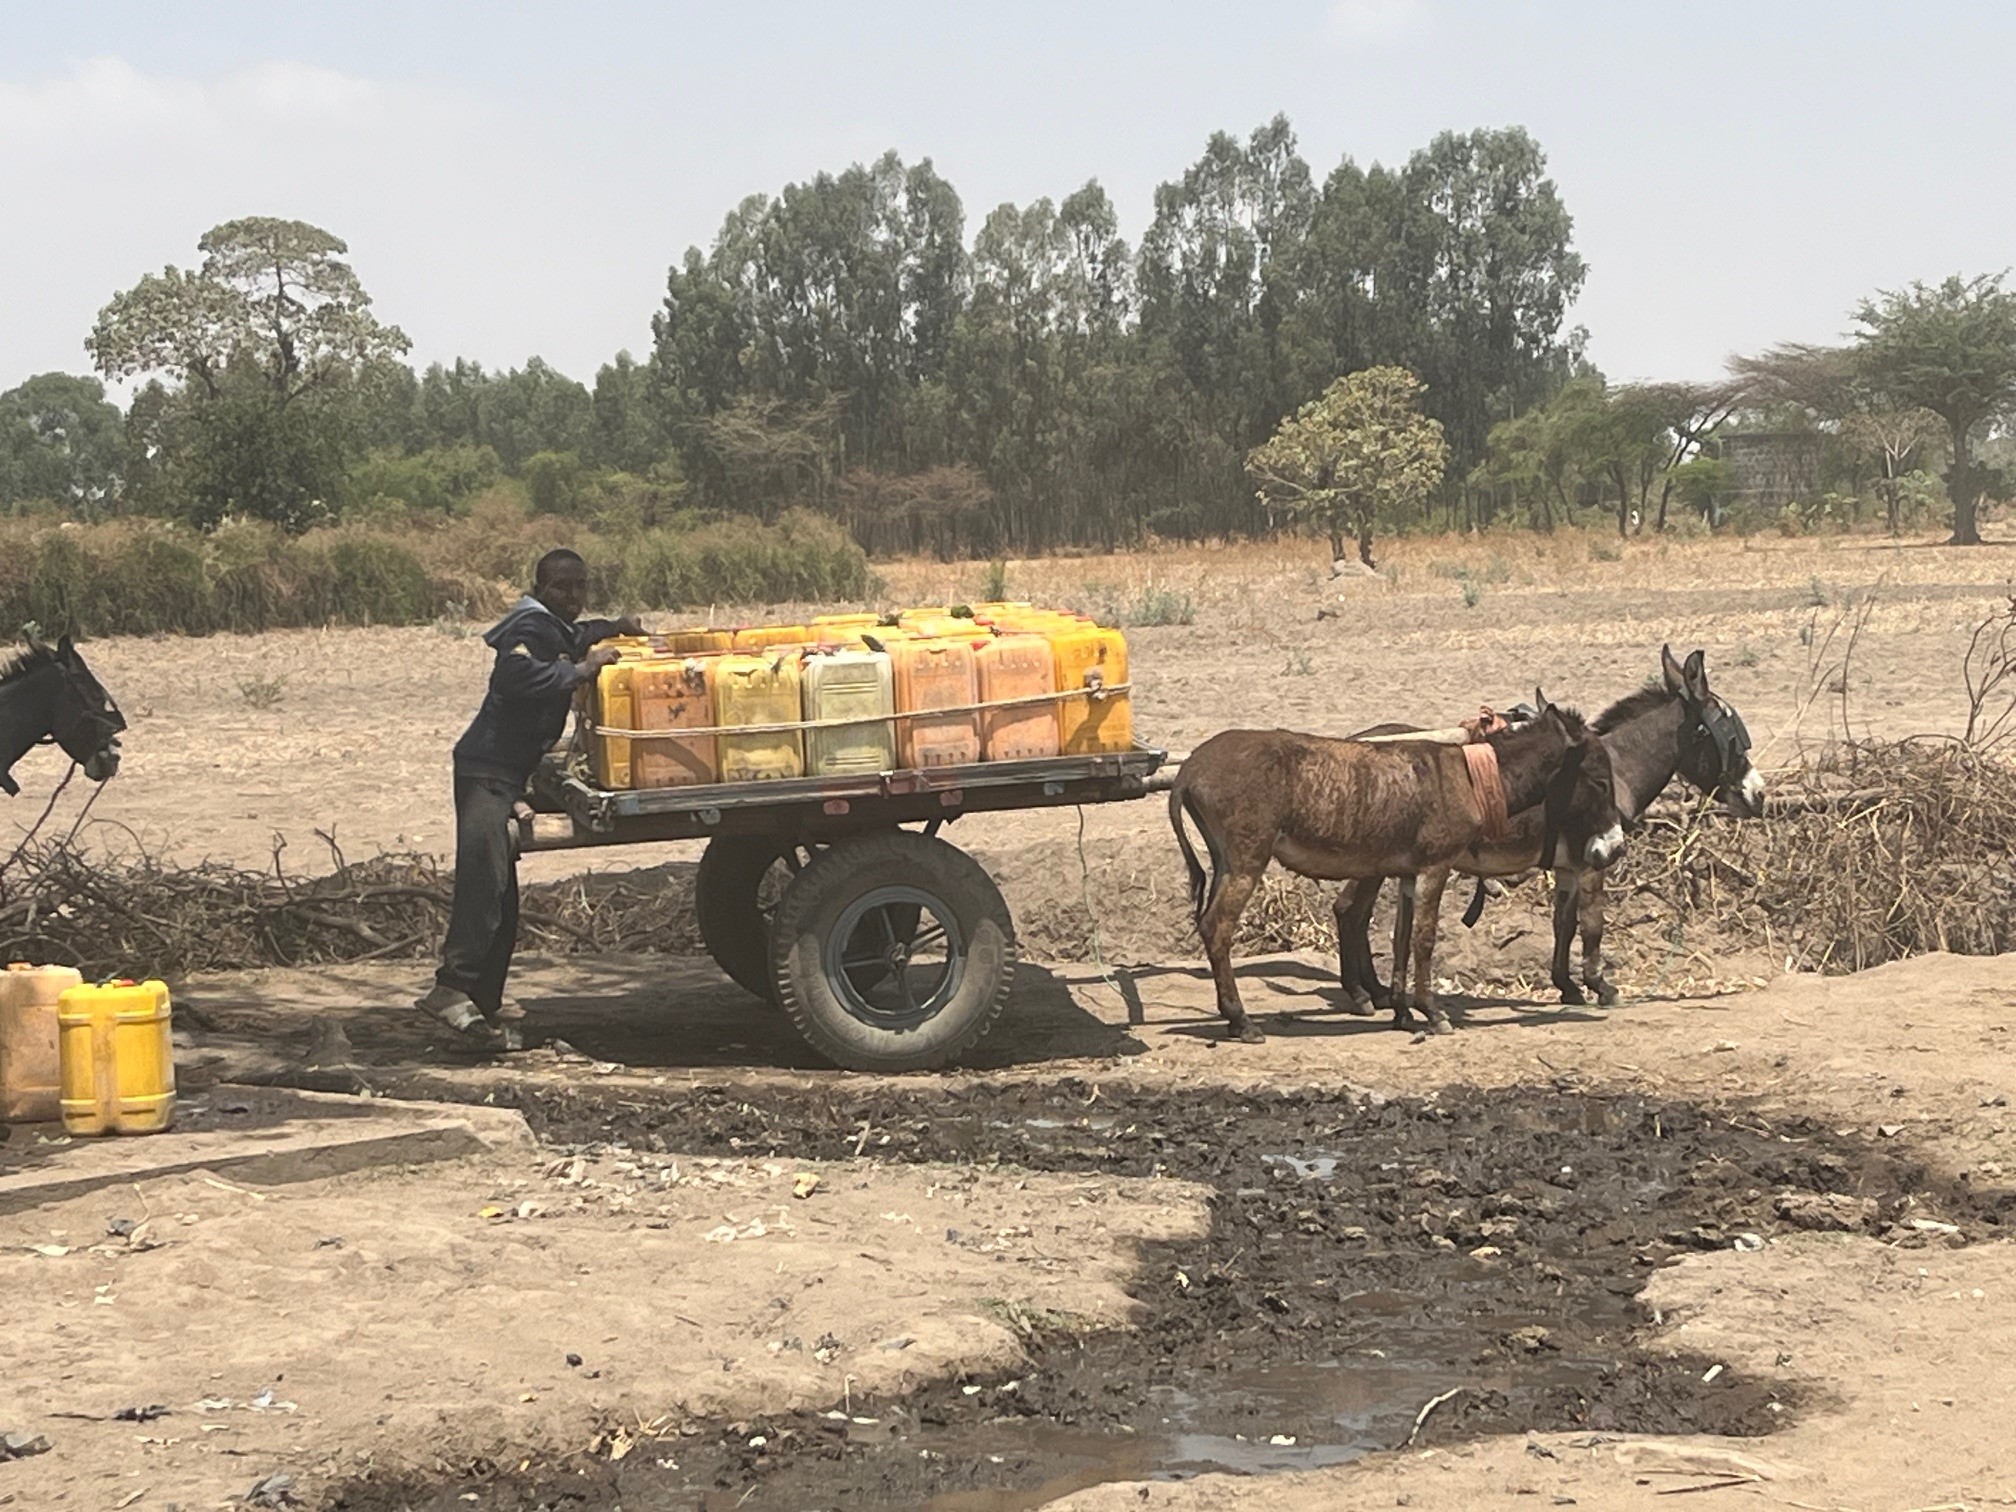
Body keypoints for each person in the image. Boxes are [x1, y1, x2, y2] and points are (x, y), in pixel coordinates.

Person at [416, 549, 642, 1047]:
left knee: (504, 900)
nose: (574, 597)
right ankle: (450, 990)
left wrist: (616, 626)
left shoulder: (554, 627)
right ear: (540, 587)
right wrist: (583, 671)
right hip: (486, 773)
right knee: (485, 886)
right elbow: (514, 677)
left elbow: (579, 635)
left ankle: (483, 1004)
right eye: (563, 587)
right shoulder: (528, 627)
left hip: (507, 775)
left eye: (581, 586)